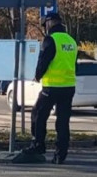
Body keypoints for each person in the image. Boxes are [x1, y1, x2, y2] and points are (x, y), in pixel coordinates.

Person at [20, 12, 77, 165]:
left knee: (38, 115)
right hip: (69, 86)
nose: (45, 28)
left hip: (52, 87)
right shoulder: (71, 41)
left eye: (45, 25)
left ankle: (38, 145)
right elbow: (74, 63)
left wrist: (37, 76)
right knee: (63, 122)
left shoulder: (51, 40)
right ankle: (60, 154)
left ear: (50, 23)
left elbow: (44, 61)